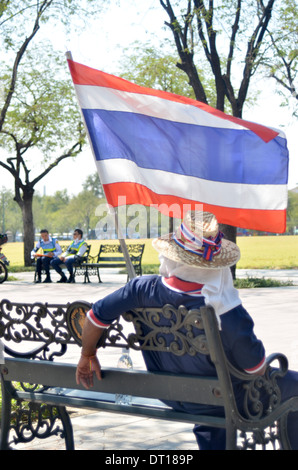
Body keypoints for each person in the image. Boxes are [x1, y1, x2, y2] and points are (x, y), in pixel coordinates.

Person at [75, 210, 298, 450]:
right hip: (219, 396)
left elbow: (95, 316)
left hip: (171, 393)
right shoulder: (225, 308)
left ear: (173, 256)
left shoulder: (141, 289)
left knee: (215, 393)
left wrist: (87, 354)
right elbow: (254, 368)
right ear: (215, 265)